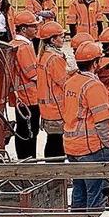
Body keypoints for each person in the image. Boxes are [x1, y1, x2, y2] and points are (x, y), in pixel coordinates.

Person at [63, 41, 109, 210]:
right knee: (97, 194)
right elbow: (102, 122)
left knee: (79, 191)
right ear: (95, 63)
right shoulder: (93, 86)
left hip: (72, 147)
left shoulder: (71, 82)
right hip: (91, 149)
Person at [10, 11, 41, 160]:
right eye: (33, 26)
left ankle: (24, 160)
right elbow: (33, 74)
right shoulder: (24, 47)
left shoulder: (14, 45)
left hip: (20, 98)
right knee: (30, 132)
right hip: (29, 98)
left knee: (23, 131)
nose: (36, 29)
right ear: (23, 29)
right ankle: (29, 161)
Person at [36, 21, 68, 158]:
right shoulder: (55, 59)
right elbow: (64, 82)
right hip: (57, 108)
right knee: (57, 146)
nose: (64, 39)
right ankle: (56, 177)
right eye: (61, 37)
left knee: (52, 142)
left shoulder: (44, 56)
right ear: (53, 40)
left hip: (48, 108)